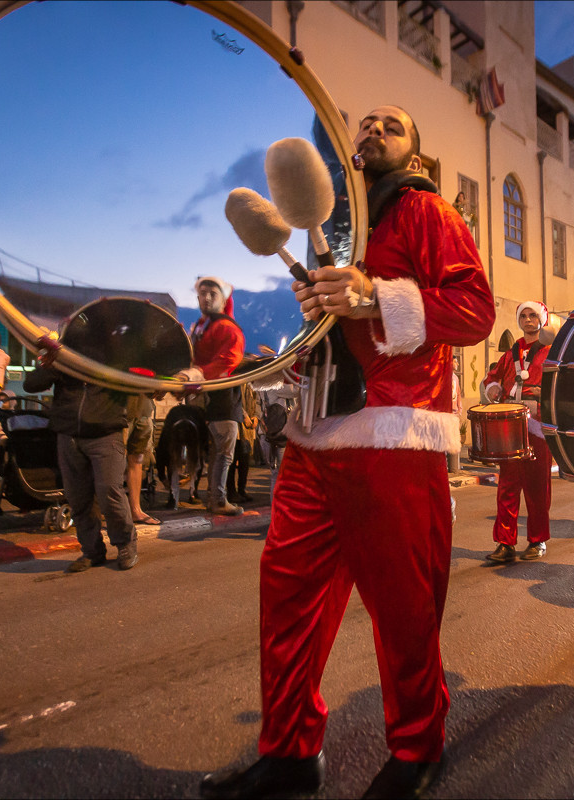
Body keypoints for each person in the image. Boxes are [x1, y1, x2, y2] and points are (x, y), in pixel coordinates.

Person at [200, 105, 494, 800]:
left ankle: (419, 748)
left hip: (392, 432)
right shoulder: (334, 229)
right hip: (315, 436)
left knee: (404, 608)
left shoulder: (426, 211)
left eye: (392, 124)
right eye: (364, 124)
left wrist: (377, 298)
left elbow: (476, 310)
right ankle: (289, 750)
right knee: (287, 597)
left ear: (414, 155)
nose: (372, 131)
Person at [25, 349, 138, 572]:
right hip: (69, 436)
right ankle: (92, 551)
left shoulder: (118, 356)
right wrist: (51, 363)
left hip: (106, 435)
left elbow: (146, 382)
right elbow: (31, 385)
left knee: (109, 492)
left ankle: (125, 544)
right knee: (78, 497)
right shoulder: (65, 358)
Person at [481, 300, 552, 563]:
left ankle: (537, 540)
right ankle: (505, 543)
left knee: (537, 488)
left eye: (533, 315)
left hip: (536, 429)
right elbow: (491, 378)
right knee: (507, 487)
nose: (528, 319)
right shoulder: (509, 355)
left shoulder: (549, 352)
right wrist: (494, 389)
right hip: (510, 428)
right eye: (523, 315)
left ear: (542, 319)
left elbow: (558, 385)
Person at [188, 276, 246, 516]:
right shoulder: (222, 327)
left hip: (210, 404)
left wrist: (195, 373)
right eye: (203, 293)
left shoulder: (204, 328)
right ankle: (219, 500)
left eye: (212, 293)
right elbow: (229, 358)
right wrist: (198, 373)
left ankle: (214, 497)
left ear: (223, 299)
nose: (207, 297)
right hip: (223, 404)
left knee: (217, 454)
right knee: (224, 454)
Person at [125, 392, 160, 525]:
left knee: (138, 460)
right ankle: (106, 512)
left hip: (144, 410)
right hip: (122, 412)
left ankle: (135, 510)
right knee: (114, 461)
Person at [226, 382, 258, 504]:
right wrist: (245, 416)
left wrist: (255, 416)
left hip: (248, 428)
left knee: (245, 460)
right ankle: (231, 492)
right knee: (232, 461)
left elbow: (256, 402)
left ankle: (242, 490)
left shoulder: (251, 384)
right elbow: (234, 401)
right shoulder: (237, 382)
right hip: (236, 425)